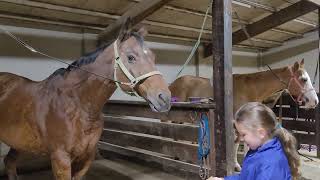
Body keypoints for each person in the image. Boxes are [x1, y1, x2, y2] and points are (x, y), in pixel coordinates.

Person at [208, 102, 300, 180]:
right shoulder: (257, 151)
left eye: (243, 134)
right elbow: (246, 177)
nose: (241, 139)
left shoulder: (271, 164)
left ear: (261, 133)